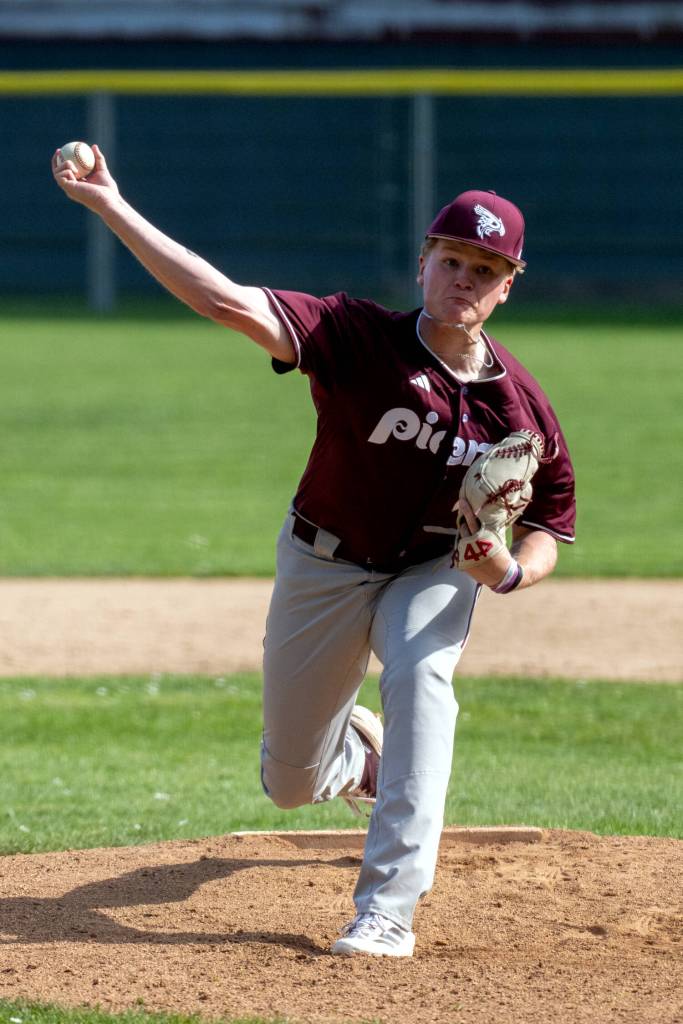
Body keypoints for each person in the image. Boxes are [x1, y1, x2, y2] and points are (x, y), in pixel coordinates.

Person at [52, 145, 576, 958]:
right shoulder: (354, 334)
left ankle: (387, 910)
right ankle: (356, 760)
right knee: (289, 784)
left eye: (484, 269)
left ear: (507, 286)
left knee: (423, 679)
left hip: (434, 568)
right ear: (422, 264)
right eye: (450, 260)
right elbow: (223, 301)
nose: (463, 279)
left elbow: (551, 520)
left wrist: (508, 573)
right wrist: (110, 205)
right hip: (323, 561)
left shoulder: (520, 409)